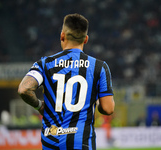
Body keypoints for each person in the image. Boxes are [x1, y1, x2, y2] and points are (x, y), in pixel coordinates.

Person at [18, 13, 115, 150]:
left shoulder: (44, 64)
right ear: (86, 39)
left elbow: (24, 89)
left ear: (62, 36)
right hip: (81, 142)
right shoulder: (99, 67)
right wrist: (97, 101)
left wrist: (39, 106)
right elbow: (108, 108)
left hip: (51, 141)